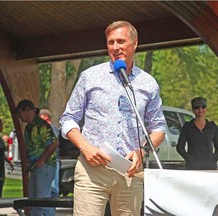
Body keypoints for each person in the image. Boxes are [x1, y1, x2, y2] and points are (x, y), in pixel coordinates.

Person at [60, 20, 166, 215]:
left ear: (134, 43)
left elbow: (159, 128)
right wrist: (85, 147)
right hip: (92, 169)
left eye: (120, 41)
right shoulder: (90, 76)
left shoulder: (148, 83)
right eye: (110, 42)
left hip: (129, 172)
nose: (115, 47)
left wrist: (140, 152)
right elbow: (67, 119)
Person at [14, 99, 58, 216]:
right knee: (33, 202)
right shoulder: (29, 127)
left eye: (20, 113)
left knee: (43, 201)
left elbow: (54, 143)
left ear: (27, 110)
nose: (19, 117)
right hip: (35, 167)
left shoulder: (41, 125)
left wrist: (42, 159)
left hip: (45, 166)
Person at [176, 97, 218, 170]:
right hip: (192, 167)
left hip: (210, 167)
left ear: (206, 108)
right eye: (196, 107)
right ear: (193, 109)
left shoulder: (212, 126)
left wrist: (214, 159)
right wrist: (189, 159)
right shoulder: (188, 127)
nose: (200, 110)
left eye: (203, 107)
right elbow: (180, 147)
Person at [39, 108, 60, 197]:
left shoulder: (51, 128)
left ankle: (51, 208)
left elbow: (54, 143)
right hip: (48, 160)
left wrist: (43, 157)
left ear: (46, 117)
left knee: (52, 188)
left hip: (52, 160)